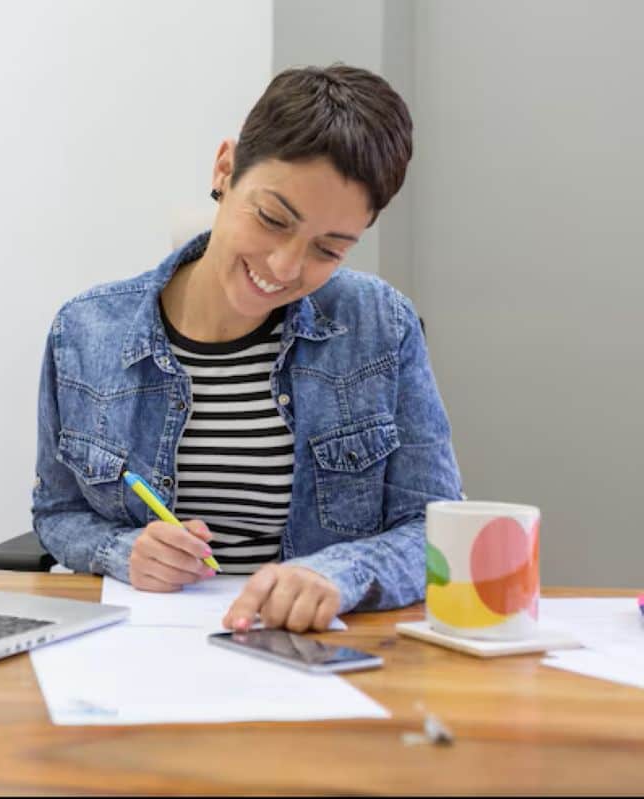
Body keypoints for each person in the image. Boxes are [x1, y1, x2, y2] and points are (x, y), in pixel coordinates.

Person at [31, 64, 463, 633]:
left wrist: (340, 573)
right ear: (225, 168)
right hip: (142, 648)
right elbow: (58, 513)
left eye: (328, 250)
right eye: (272, 219)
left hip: (307, 650)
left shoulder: (382, 327)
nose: (285, 267)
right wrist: (121, 549)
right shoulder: (85, 331)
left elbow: (436, 531)